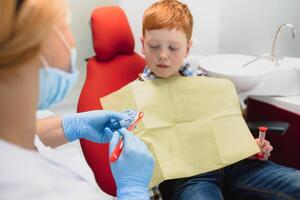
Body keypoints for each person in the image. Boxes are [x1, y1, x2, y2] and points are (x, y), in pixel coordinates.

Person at [137, 0, 300, 199]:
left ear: (187, 48)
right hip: (190, 176)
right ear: (143, 44)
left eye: (173, 47)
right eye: (154, 46)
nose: (163, 55)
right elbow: (139, 164)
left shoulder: (206, 82)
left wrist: (249, 147)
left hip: (235, 165)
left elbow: (227, 131)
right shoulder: (138, 96)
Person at [0, 0, 154, 199]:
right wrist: (133, 191)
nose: (72, 42)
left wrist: (72, 125)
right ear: (29, 46)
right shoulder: (43, 190)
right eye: (66, 26)